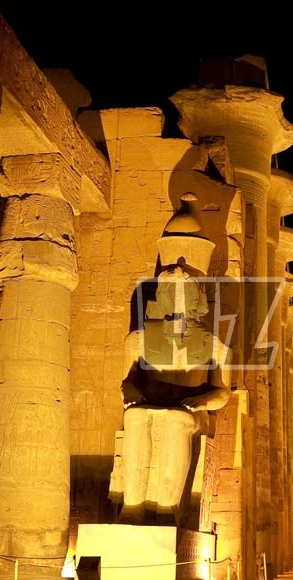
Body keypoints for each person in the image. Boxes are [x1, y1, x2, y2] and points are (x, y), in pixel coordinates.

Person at [110, 193, 231, 525]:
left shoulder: (213, 345)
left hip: (190, 412)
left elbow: (222, 393)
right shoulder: (139, 339)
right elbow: (128, 380)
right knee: (135, 418)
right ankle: (132, 507)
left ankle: (166, 509)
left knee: (176, 420)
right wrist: (130, 391)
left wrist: (202, 400)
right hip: (150, 402)